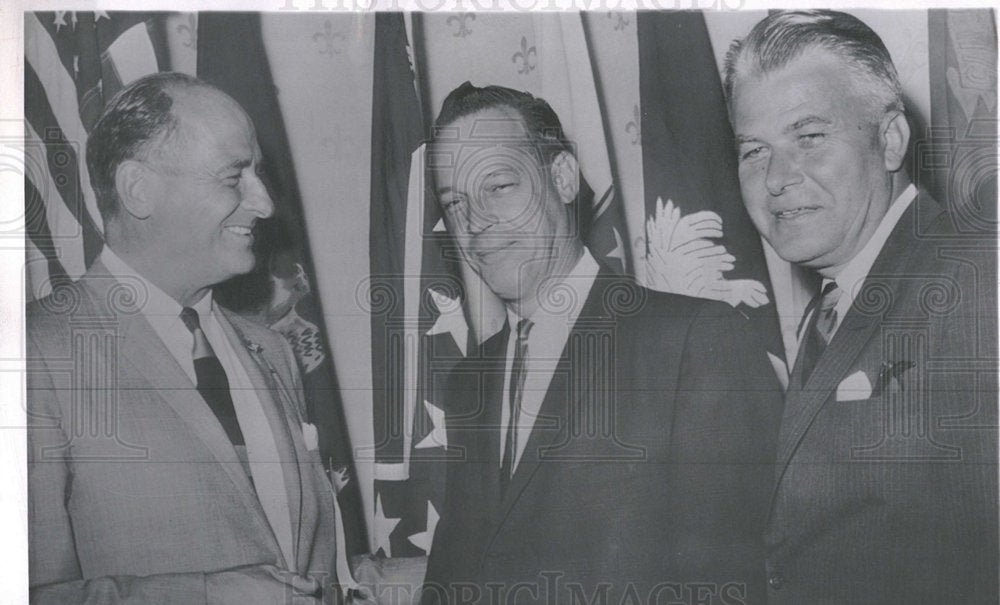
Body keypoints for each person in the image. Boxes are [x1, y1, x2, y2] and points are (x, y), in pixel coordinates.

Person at [420, 82, 782, 605]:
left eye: (499, 186)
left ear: (563, 177)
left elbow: (741, 577)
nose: (476, 223)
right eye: (455, 203)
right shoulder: (467, 381)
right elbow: (455, 573)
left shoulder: (694, 341)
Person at [27, 72, 338, 603]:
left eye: (257, 174)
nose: (263, 203)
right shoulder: (34, 355)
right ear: (138, 189)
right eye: (233, 177)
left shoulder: (272, 350)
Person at [725, 10, 998, 604]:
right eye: (753, 150)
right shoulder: (831, 307)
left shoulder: (978, 279)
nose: (775, 179)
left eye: (809, 137)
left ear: (891, 139)